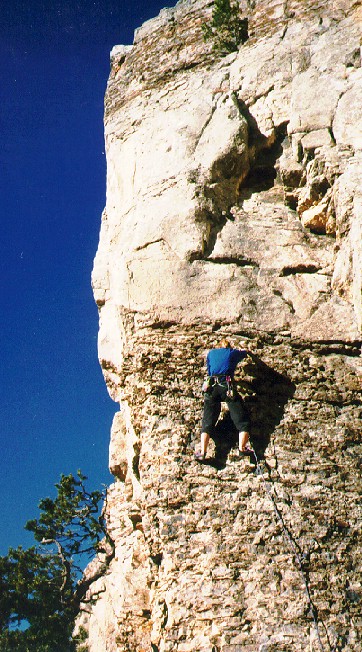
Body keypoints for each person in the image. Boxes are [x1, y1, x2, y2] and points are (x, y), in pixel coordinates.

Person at [195, 339, 250, 461]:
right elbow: (244, 353)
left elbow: (210, 371)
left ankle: (203, 452)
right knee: (242, 420)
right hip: (226, 387)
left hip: (211, 387)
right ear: (227, 346)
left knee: (207, 421)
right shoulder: (231, 352)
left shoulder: (211, 353)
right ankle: (242, 448)